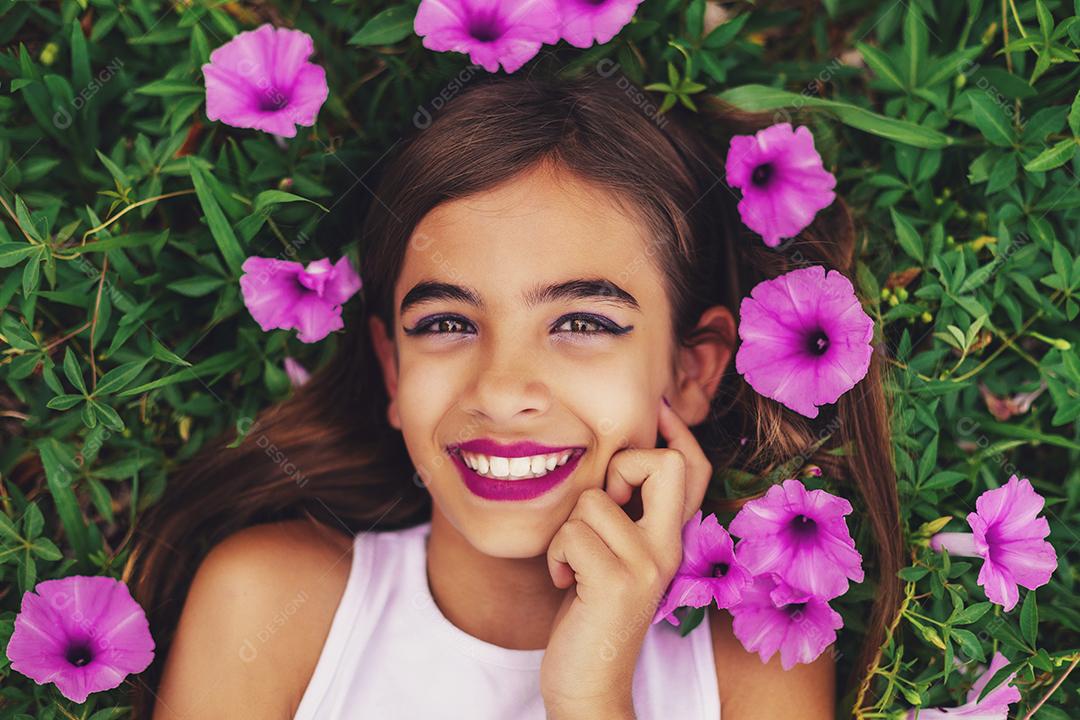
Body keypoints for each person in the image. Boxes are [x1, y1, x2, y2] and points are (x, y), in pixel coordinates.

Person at [131, 65, 901, 719]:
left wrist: (590, 694)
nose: (500, 392)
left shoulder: (758, 649)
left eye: (582, 323)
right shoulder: (270, 602)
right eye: (446, 323)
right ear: (393, 371)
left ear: (692, 372)